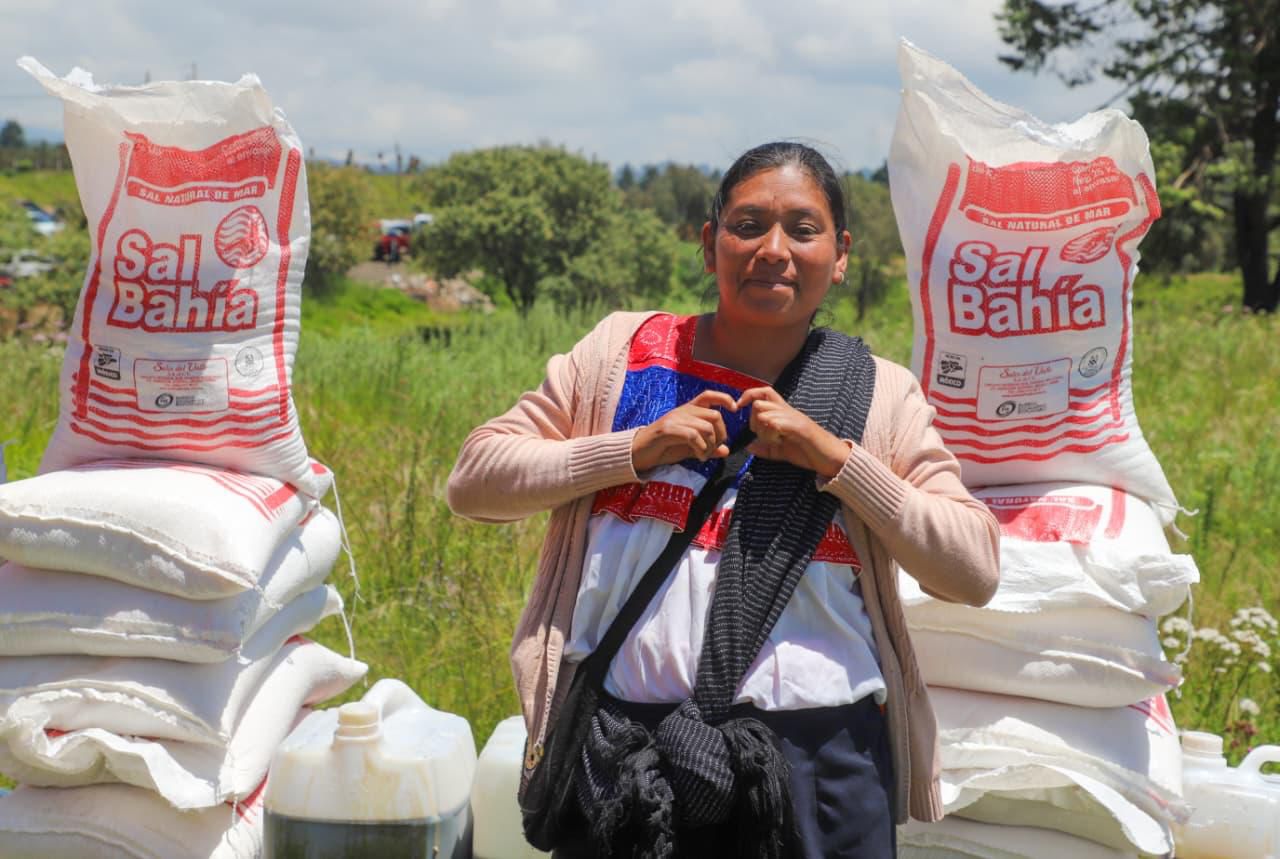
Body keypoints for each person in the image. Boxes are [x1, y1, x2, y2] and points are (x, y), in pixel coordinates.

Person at [447, 141, 1000, 858]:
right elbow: (475, 480)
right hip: (627, 762)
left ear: (840, 256)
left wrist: (837, 460)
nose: (773, 250)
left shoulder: (879, 396)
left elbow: (972, 570)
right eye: (748, 226)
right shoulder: (623, 354)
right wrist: (635, 448)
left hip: (819, 768)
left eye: (803, 229)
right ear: (710, 245)